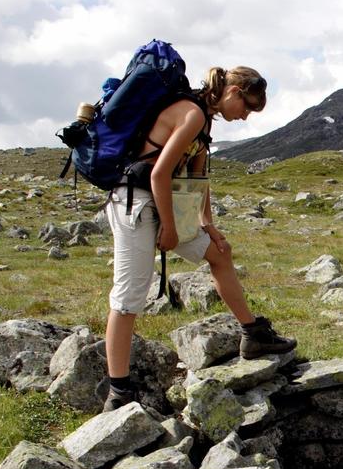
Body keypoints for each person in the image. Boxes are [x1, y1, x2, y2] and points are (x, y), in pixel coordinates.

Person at [102, 66, 296, 412]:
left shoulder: (204, 123)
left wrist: (209, 226)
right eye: (248, 107)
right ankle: (118, 393)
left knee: (220, 254)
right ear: (234, 92)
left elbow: (197, 180)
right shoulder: (191, 114)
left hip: (164, 204)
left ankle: (252, 335)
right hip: (136, 202)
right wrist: (172, 230)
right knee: (130, 295)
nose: (245, 117)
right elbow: (160, 173)